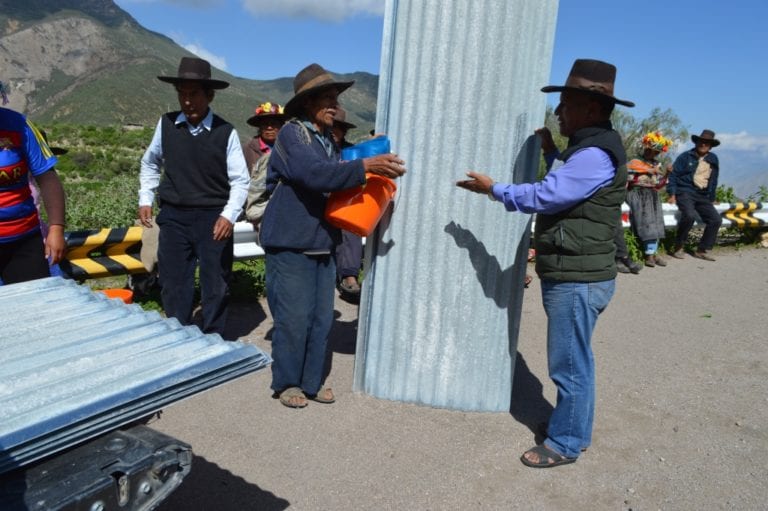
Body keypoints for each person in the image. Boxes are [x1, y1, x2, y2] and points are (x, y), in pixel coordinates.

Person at [456, 59, 632, 468]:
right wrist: (553, 152)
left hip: (578, 276)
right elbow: (572, 188)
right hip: (581, 271)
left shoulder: (594, 154)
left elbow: (548, 196)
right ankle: (575, 430)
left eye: (565, 103)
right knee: (577, 360)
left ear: (591, 107)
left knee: (569, 365)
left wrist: (493, 189)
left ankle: (565, 442)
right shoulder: (591, 148)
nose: (557, 113)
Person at [259, 63, 406, 408]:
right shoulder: (292, 134)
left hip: (322, 241)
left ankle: (311, 382)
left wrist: (365, 157)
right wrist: (364, 167)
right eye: (326, 98)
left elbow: (337, 173)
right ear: (308, 103)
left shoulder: (326, 140)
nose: (334, 105)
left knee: (321, 317)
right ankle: (288, 383)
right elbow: (314, 175)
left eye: (334, 99)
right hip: (290, 241)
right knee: (293, 317)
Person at [138, 57, 250, 335]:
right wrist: (145, 197)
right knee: (174, 281)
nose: (187, 101)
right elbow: (150, 162)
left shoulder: (226, 132)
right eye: (182, 94)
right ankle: (179, 336)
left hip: (214, 217)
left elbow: (240, 180)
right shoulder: (165, 125)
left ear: (209, 95)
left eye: (194, 94)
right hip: (174, 215)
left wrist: (228, 215)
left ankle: (214, 337)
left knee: (216, 282)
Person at [0, 90, 66, 284]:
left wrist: (56, 229)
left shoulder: (19, 124)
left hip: (23, 242)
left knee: (36, 309)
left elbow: (47, 178)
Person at [667, 129, 722, 261]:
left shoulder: (713, 159)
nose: (704, 144)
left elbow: (713, 180)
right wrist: (672, 194)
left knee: (715, 220)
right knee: (689, 216)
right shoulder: (685, 156)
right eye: (702, 141)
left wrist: (712, 198)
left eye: (707, 143)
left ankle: (702, 250)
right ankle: (679, 246)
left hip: (702, 195)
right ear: (697, 142)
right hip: (685, 191)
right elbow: (673, 175)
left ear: (711, 145)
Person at [331, 107, 364, 302]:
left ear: (344, 132)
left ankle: (349, 275)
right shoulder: (317, 149)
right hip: (322, 202)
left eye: (339, 128)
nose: (335, 132)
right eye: (332, 128)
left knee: (350, 227)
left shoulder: (352, 152)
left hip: (346, 203)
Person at [626, 131, 673, 267]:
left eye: (657, 152)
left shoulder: (656, 164)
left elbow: (658, 184)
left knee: (656, 222)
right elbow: (628, 172)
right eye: (652, 151)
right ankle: (648, 255)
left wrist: (667, 174)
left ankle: (653, 252)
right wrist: (648, 171)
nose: (654, 154)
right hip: (638, 194)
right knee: (646, 223)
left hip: (652, 194)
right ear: (646, 148)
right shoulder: (635, 161)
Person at [243, 102, 286, 227]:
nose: (269, 128)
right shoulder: (247, 150)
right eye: (265, 124)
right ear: (259, 127)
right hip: (257, 211)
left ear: (281, 126)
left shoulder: (289, 149)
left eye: (274, 124)